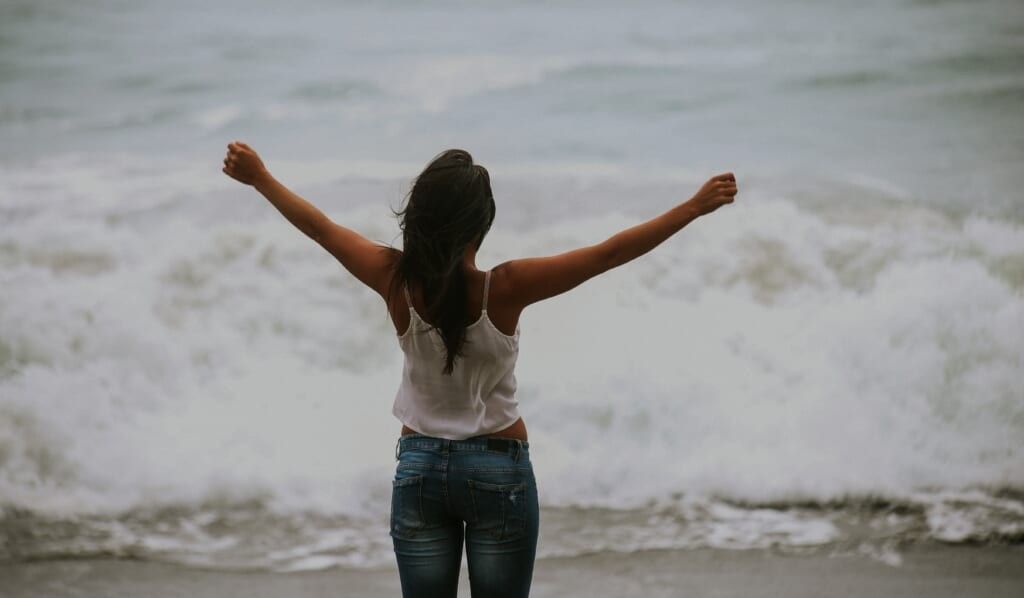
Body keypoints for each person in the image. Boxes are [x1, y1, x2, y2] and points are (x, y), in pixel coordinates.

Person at [221, 142, 738, 597]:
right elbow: (609, 254)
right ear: (480, 224)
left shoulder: (393, 278)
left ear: (418, 217)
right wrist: (692, 208)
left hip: (418, 468)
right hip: (498, 467)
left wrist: (260, 178)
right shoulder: (505, 287)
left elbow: (319, 228)